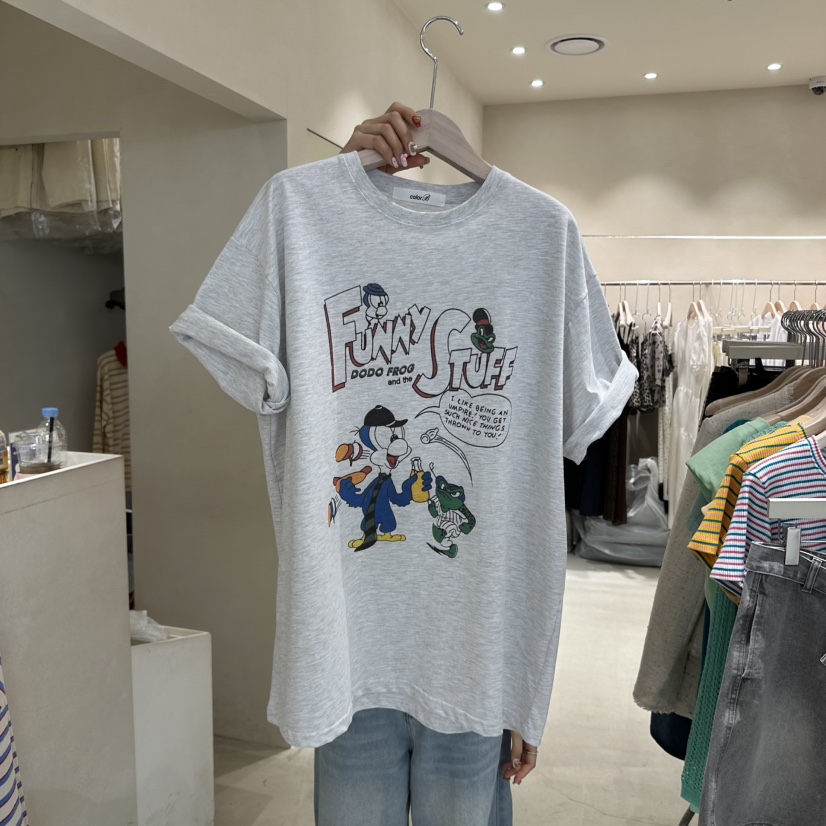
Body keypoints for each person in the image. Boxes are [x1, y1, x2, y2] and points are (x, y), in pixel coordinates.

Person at [311, 102, 538, 826]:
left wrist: (525, 687)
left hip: (473, 660)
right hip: (350, 657)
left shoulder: (542, 239)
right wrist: (333, 186)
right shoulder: (302, 218)